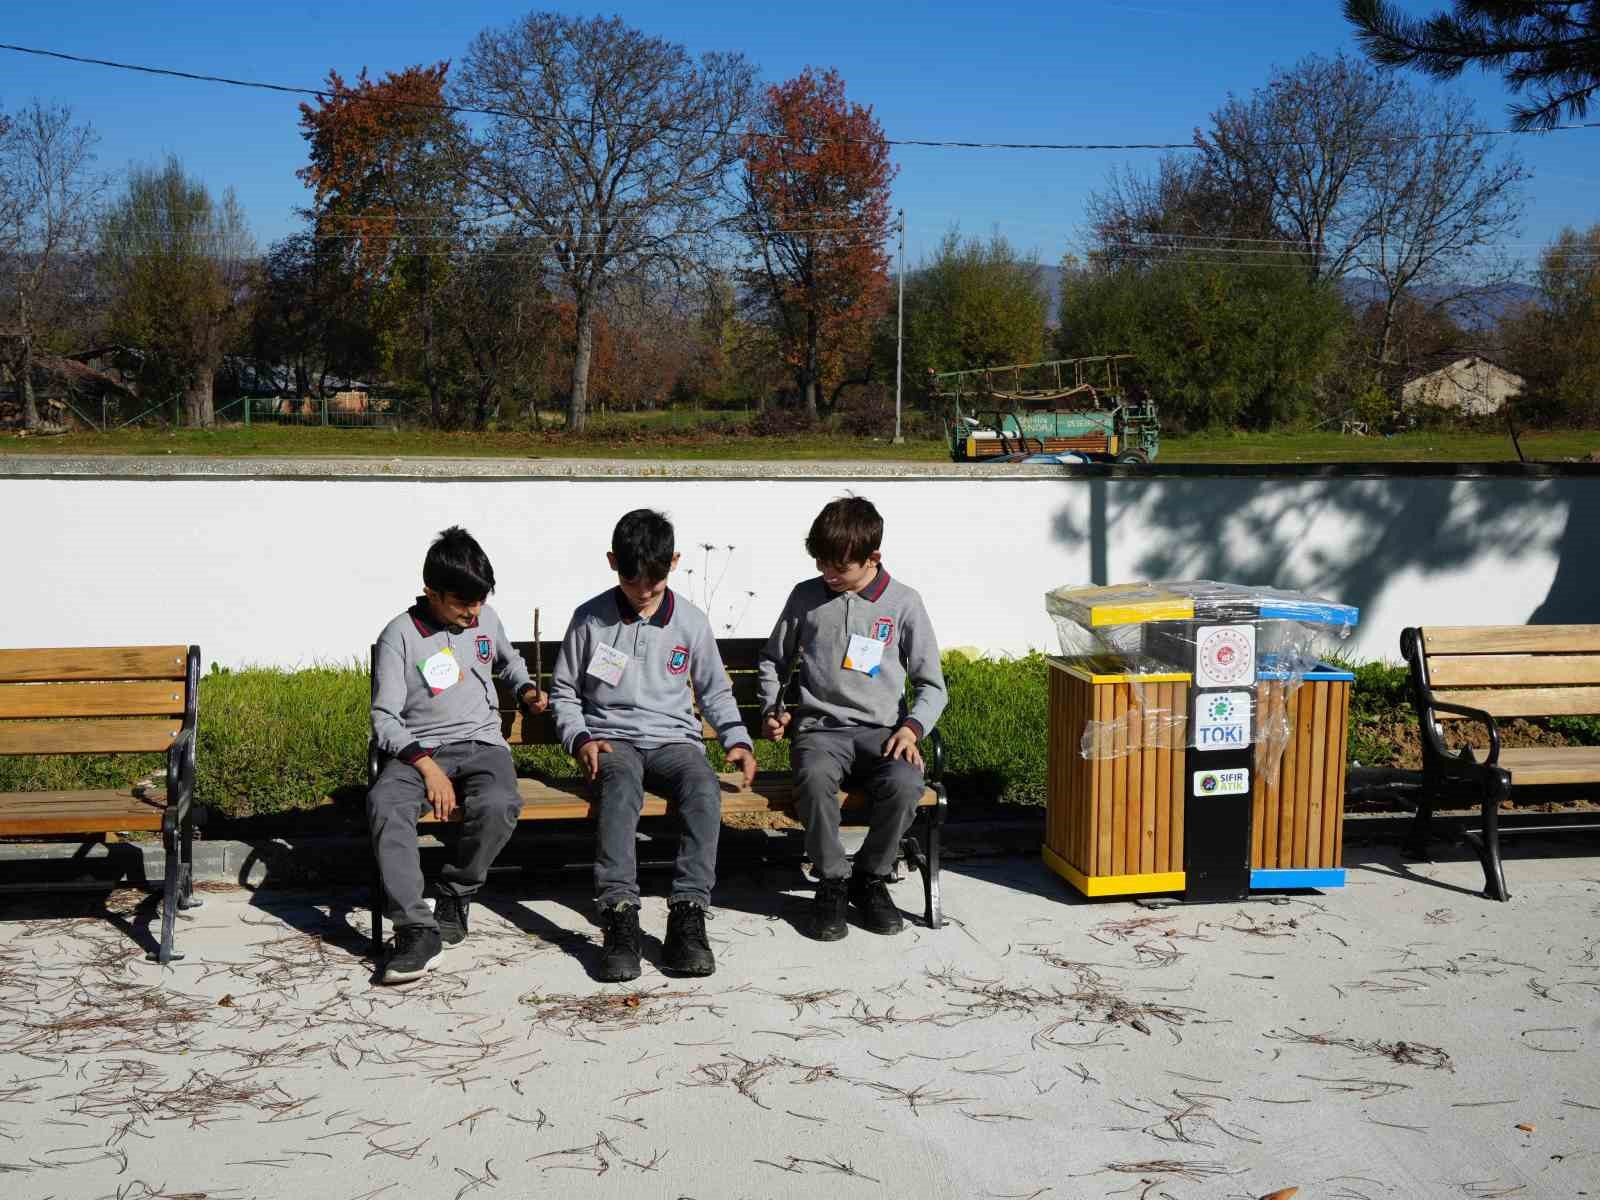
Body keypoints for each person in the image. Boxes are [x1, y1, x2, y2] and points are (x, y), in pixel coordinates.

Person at [549, 509, 757, 981]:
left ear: (674, 562)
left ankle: (688, 912)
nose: (643, 591)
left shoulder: (690, 622)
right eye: (631, 579)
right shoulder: (590, 619)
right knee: (620, 788)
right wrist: (580, 737)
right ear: (611, 562)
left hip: (673, 740)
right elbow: (564, 692)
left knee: (703, 788)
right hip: (612, 739)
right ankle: (619, 912)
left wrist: (736, 738)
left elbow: (715, 690)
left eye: (655, 580)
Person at [757, 496, 947, 940]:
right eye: (822, 564)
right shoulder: (806, 597)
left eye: (839, 568)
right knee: (815, 777)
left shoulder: (904, 603)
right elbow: (772, 660)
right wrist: (773, 707)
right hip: (821, 730)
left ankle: (870, 877)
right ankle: (832, 881)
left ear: (873, 558)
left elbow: (933, 685)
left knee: (905, 784)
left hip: (883, 732)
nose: (828, 575)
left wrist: (911, 728)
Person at [368, 526, 546, 985]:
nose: (473, 613)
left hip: (483, 743)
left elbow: (508, 660)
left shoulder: (485, 619)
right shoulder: (399, 636)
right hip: (420, 749)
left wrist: (525, 689)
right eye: (462, 604)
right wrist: (426, 766)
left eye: (479, 602)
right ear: (431, 592)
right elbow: (385, 718)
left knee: (500, 804)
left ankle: (454, 890)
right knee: (386, 804)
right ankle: (414, 928)